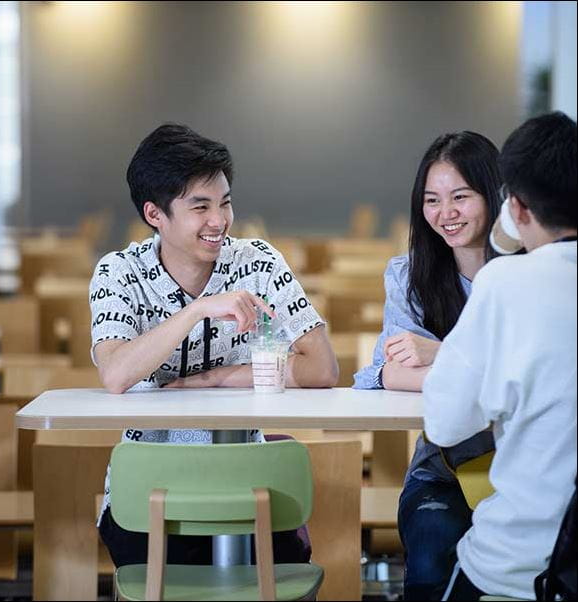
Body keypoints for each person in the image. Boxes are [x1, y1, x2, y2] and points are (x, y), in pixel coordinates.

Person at [89, 123, 339, 568]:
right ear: (155, 214)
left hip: (245, 477)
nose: (219, 221)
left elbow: (322, 368)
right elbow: (115, 374)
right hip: (150, 484)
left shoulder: (257, 262)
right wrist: (196, 311)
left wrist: (219, 377)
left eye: (224, 203)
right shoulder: (118, 272)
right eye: (199, 206)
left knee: (284, 562)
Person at [424, 111, 577, 600]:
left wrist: (503, 244)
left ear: (516, 208)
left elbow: (445, 424)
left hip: (522, 567)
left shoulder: (506, 283)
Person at [354, 131, 503, 600]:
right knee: (431, 556)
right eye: (432, 200)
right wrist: (492, 369)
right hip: (443, 463)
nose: (446, 214)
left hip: (524, 462)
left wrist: (440, 354)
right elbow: (385, 374)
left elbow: (541, 371)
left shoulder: (527, 275)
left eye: (461, 196)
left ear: (495, 194)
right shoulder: (409, 274)